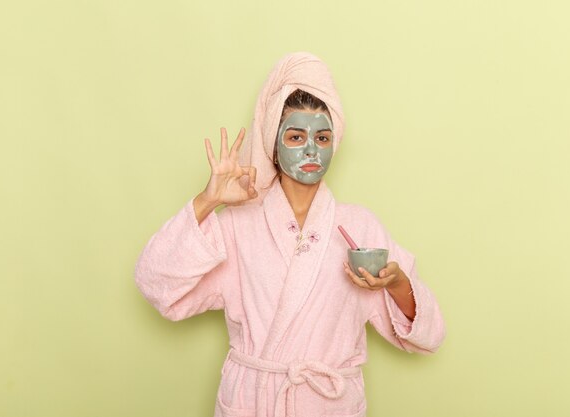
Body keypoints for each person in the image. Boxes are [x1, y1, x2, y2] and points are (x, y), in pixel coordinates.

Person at [134, 52, 446, 417]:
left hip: (327, 405)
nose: (312, 149)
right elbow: (155, 284)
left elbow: (430, 334)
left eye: (323, 137)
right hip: (253, 403)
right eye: (297, 137)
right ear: (274, 145)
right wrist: (207, 201)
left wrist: (396, 284)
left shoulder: (360, 229)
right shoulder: (238, 226)